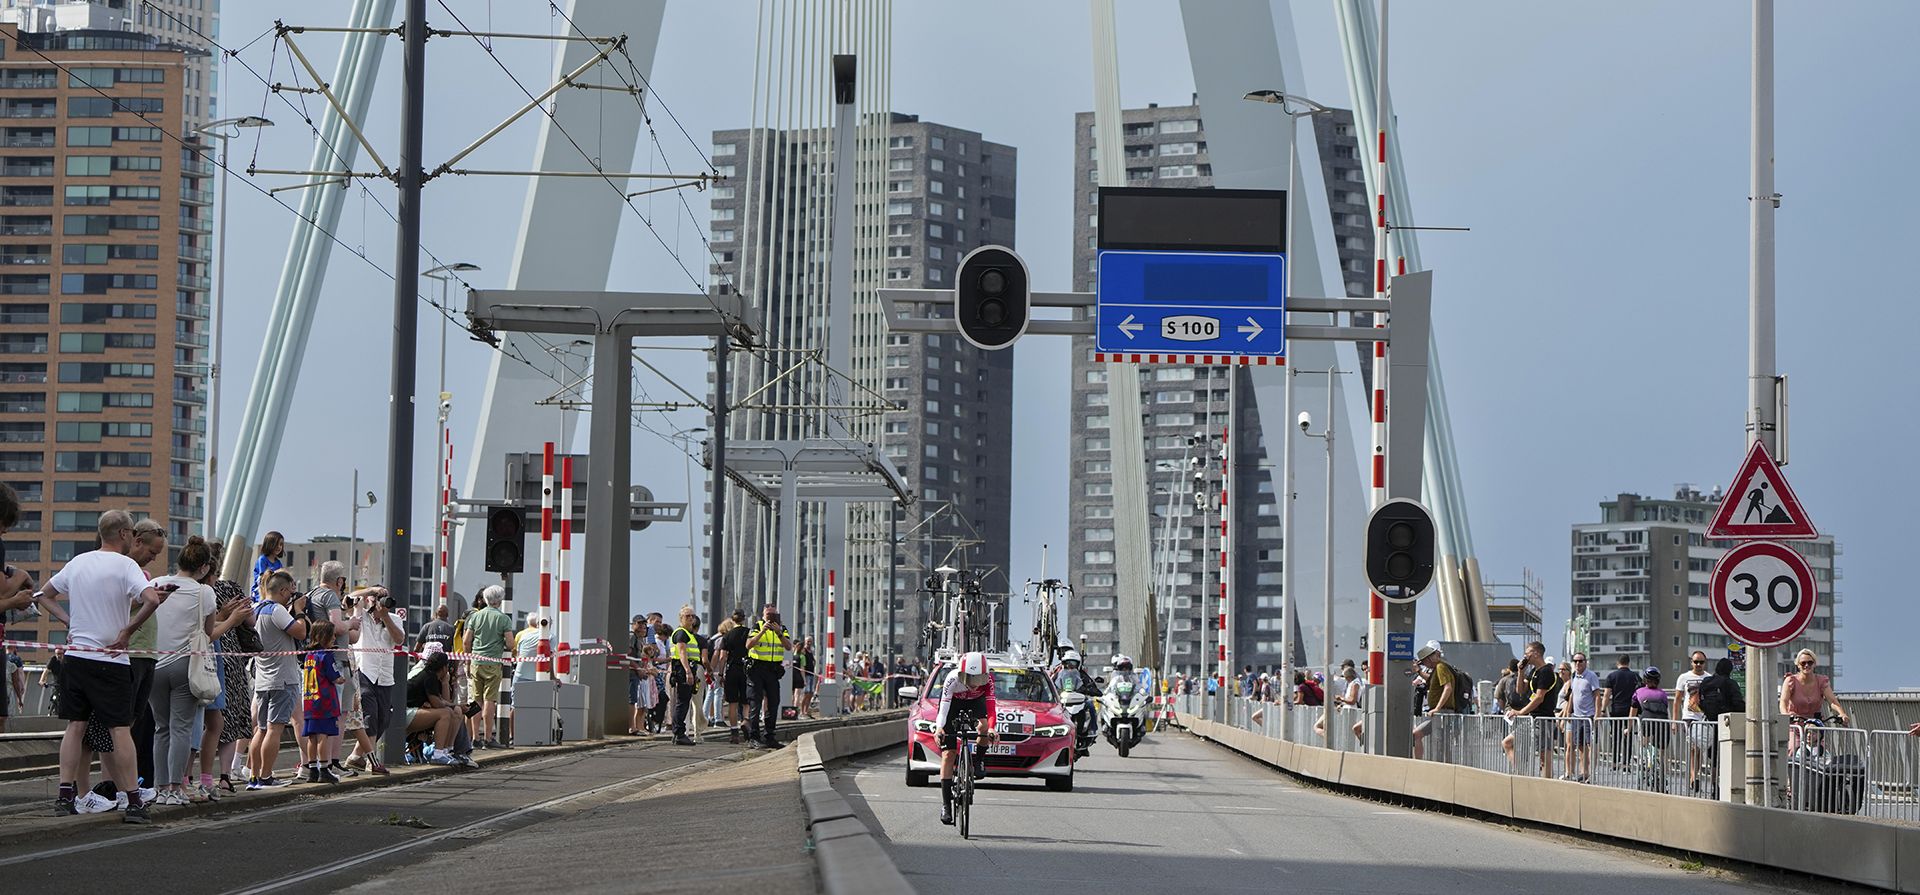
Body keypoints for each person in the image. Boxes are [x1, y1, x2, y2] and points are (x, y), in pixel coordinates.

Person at [33, 510, 177, 823]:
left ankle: (65, 795)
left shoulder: (78, 562)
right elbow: (151, 599)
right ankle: (134, 800)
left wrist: (68, 620)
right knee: (119, 728)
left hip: (76, 656)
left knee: (75, 726)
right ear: (125, 534)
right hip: (109, 659)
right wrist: (126, 631)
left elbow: (43, 595)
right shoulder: (126, 565)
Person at [145, 536, 218, 806]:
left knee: (160, 728)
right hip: (185, 664)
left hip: (154, 663)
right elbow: (208, 632)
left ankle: (160, 787)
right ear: (203, 567)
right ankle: (176, 787)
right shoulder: (205, 593)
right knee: (181, 729)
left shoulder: (155, 584)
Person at [248, 570, 310, 789]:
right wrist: (300, 612)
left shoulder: (256, 609)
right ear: (282, 591)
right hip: (283, 678)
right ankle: (266, 776)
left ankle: (254, 776)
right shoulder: (277, 610)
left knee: (261, 730)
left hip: (262, 679)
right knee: (274, 729)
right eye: (289, 593)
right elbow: (301, 633)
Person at [122, 519, 167, 794]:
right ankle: (124, 785)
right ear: (137, 541)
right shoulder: (123, 569)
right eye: (152, 552)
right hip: (132, 652)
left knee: (138, 722)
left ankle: (133, 782)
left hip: (148, 652)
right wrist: (146, 600)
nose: (153, 558)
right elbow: (116, 603)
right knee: (124, 724)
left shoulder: (142, 573)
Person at [343, 584, 401, 776]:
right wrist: (371, 591)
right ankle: (372, 761)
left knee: (384, 719)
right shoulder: (362, 617)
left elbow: (399, 639)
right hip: (364, 671)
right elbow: (349, 598)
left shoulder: (394, 618)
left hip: (385, 674)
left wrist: (385, 616)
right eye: (379, 598)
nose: (382, 601)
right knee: (371, 715)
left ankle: (355, 756)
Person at [934, 651, 998, 826]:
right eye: (971, 680)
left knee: (983, 727)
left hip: (976, 703)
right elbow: (944, 707)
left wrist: (992, 728)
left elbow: (991, 707)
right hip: (954, 703)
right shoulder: (952, 678)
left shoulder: (988, 680)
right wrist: (939, 728)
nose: (975, 685)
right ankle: (946, 805)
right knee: (949, 754)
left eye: (979, 680)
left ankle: (978, 761)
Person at [462, 586, 513, 749]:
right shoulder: (503, 619)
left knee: (476, 700)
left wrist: (469, 661)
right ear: (500, 600)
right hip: (492, 663)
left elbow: (466, 641)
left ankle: (475, 738)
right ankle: (489, 738)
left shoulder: (475, 617)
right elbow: (511, 644)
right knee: (489, 700)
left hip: (476, 662)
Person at [404, 649, 473, 767]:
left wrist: (445, 683)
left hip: (412, 711)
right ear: (444, 667)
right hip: (405, 713)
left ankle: (447, 750)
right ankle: (438, 754)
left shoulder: (432, 676)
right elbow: (438, 704)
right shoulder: (429, 677)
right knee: (445, 714)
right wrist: (455, 704)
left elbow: (443, 701)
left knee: (454, 711)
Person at [1502, 640, 1558, 778]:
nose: (1525, 656)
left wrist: (1521, 712)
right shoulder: (1534, 671)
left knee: (1544, 754)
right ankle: (1521, 774)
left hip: (1543, 718)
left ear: (1536, 653)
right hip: (1532, 718)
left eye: (1527, 653)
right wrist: (1521, 671)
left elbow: (1539, 697)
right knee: (1507, 743)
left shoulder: (1546, 672)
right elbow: (1520, 690)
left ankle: (1547, 783)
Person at [299, 621, 344, 784]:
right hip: (324, 702)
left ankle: (312, 770)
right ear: (324, 636)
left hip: (310, 701)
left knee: (312, 736)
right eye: (331, 635)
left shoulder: (309, 655)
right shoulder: (326, 655)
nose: (334, 638)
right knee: (323, 735)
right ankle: (324, 769)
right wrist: (340, 679)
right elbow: (334, 676)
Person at [1780, 648, 1849, 752]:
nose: (1806, 665)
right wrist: (1786, 715)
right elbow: (1783, 702)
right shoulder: (1791, 681)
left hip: (1814, 725)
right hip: (1796, 724)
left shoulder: (1821, 681)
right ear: (1798, 665)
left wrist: (1842, 714)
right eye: (1803, 663)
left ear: (1814, 664)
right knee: (1793, 749)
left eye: (1810, 662)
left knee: (1821, 752)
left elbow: (1833, 701)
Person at [744, 606, 791, 748]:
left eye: (773, 614)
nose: (770, 617)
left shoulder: (781, 628)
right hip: (757, 669)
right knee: (755, 704)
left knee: (773, 703)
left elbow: (788, 647)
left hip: (772, 671)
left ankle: (770, 736)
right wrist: (763, 631)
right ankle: (754, 737)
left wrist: (779, 633)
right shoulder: (757, 626)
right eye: (768, 614)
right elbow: (748, 645)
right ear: (763, 615)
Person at [1672, 650, 1713, 794]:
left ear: (1705, 663)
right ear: (1691, 662)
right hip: (1689, 717)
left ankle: (1696, 775)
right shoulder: (1684, 677)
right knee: (1694, 747)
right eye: (1696, 662)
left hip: (1704, 717)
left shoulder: (1709, 678)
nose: (1698, 665)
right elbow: (1677, 700)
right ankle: (1693, 777)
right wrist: (1674, 721)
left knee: (1701, 748)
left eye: (1701, 662)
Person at [1411, 643, 1459, 761]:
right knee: (1441, 742)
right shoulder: (1437, 669)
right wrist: (1419, 671)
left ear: (1429, 658)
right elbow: (1432, 681)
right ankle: (1440, 764)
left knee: (1435, 740)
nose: (1424, 664)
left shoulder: (1440, 667)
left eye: (1424, 661)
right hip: (1440, 712)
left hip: (1442, 712)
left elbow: (1447, 688)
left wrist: (1437, 708)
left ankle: (1426, 763)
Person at [668, 606, 707, 745]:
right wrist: (688, 672)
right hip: (683, 670)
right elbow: (682, 653)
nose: (691, 618)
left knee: (684, 702)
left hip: (687, 669)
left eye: (692, 616)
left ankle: (678, 733)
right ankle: (679, 733)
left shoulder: (689, 634)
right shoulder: (681, 633)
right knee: (683, 702)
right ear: (681, 618)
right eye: (687, 616)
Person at [1560, 653, 1600, 783]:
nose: (1578, 663)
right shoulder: (1574, 677)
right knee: (1581, 746)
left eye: (1580, 661)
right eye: (1575, 661)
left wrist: (1597, 714)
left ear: (1585, 662)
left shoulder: (1591, 676)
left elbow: (1597, 695)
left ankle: (1590, 773)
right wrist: (1568, 713)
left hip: (1588, 716)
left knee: (1590, 745)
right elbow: (1572, 696)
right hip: (1576, 716)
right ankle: (1583, 772)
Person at [713, 610, 750, 743]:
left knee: (732, 703)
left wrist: (721, 674)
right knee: (746, 702)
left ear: (733, 620)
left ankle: (734, 732)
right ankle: (745, 721)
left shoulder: (727, 636)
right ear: (744, 619)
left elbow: (722, 657)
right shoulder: (749, 633)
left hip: (732, 670)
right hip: (746, 670)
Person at [1600, 654, 1641, 765]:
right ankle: (1626, 763)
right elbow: (1640, 693)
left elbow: (1607, 695)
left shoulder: (1612, 676)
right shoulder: (1635, 676)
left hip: (1616, 709)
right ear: (1629, 663)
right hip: (1631, 710)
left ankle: (1614, 762)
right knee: (1628, 737)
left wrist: (1603, 710)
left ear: (1618, 663)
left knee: (1615, 736)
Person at [251, 530, 286, 600]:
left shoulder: (278, 563)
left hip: (274, 592)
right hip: (260, 592)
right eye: (276, 544)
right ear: (269, 544)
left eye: (281, 544)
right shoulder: (262, 560)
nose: (279, 547)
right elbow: (262, 578)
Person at [793, 636, 818, 719]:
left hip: (811, 674)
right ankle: (802, 711)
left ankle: (806, 711)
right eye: (808, 641)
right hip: (806, 675)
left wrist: (814, 663)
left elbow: (813, 660)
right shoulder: (803, 651)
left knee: (810, 693)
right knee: (805, 693)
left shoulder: (811, 651)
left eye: (810, 641)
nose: (809, 643)